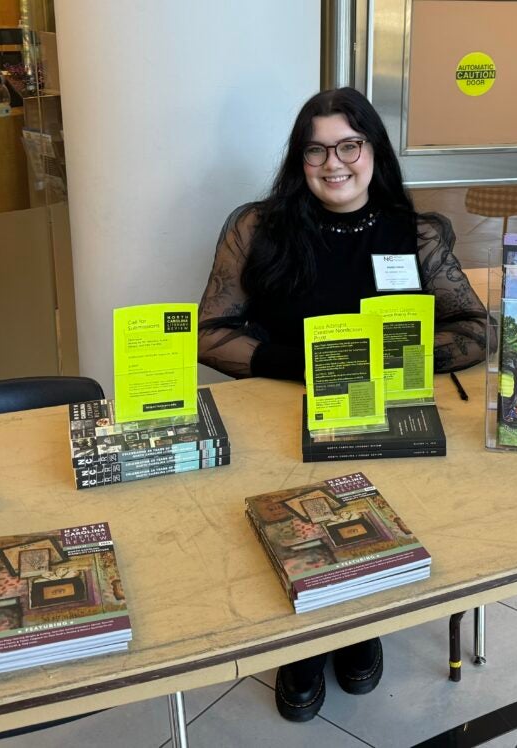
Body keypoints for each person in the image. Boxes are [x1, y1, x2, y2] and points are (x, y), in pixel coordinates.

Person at [197, 87, 487, 722]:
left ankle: (359, 624)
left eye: (349, 145)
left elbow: (471, 328)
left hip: (380, 408)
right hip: (281, 406)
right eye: (316, 150)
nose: (334, 164)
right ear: (300, 160)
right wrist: (312, 363)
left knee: (369, 519)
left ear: (373, 152)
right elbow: (211, 335)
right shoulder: (257, 227)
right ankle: (302, 645)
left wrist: (389, 359)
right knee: (298, 523)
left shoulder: (414, 232)